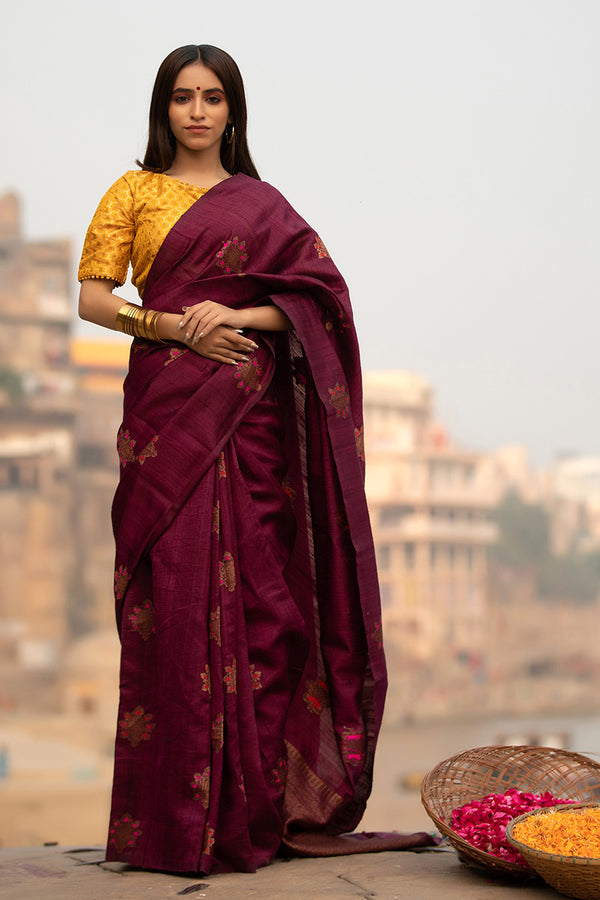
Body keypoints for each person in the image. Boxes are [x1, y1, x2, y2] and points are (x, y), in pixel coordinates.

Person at [78, 44, 434, 875]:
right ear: (162, 109)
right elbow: (95, 300)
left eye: (212, 98)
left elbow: (319, 299)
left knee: (269, 617)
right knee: (169, 608)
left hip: (252, 421)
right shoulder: (131, 193)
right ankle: (170, 825)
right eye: (181, 98)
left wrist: (229, 316)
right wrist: (173, 326)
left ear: (233, 111)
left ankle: (254, 815)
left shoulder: (263, 205)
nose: (197, 112)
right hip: (169, 417)